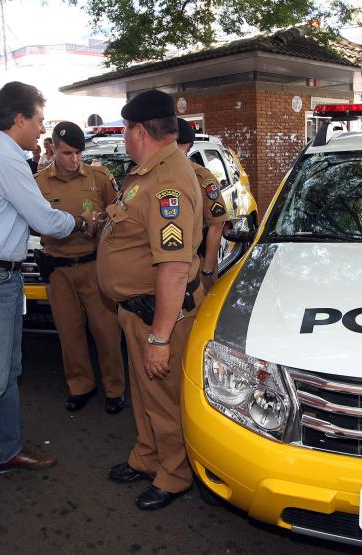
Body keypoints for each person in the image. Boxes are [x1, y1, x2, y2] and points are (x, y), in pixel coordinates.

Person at [0, 81, 95, 500]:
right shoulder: (5, 158)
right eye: (39, 120)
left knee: (6, 374)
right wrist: (81, 223)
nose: (42, 129)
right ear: (18, 118)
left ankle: (6, 451)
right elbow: (44, 219)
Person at [98, 90, 204, 511]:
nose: (125, 137)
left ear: (139, 130)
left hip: (158, 316)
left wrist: (160, 338)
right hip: (136, 311)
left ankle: (174, 474)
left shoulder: (167, 183)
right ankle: (148, 456)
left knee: (163, 399)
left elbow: (175, 267)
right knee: (144, 397)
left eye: (126, 129)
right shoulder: (147, 173)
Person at [35, 122, 126, 413]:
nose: (74, 159)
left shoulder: (98, 176)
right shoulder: (38, 183)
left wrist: (102, 220)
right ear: (52, 149)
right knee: (69, 334)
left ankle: (115, 389)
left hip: (93, 266)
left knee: (107, 332)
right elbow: (33, 223)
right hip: (58, 269)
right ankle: (80, 386)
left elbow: (120, 213)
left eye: (78, 152)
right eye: (66, 153)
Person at [176, 118, 229, 291]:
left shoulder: (202, 178)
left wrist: (206, 271)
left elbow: (217, 224)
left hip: (197, 262)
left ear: (185, 146)